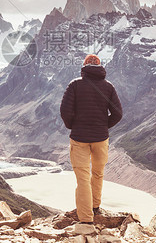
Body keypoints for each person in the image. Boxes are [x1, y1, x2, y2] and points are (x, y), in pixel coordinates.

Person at [60, 54, 123, 224]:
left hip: (79, 138)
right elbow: (118, 113)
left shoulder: (75, 85)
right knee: (97, 173)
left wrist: (73, 126)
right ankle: (95, 207)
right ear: (100, 67)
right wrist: (103, 126)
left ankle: (86, 219)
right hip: (101, 139)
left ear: (84, 66)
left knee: (82, 177)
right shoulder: (108, 87)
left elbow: (65, 111)